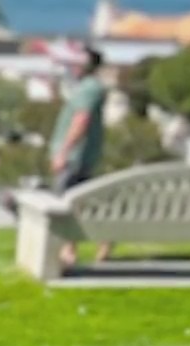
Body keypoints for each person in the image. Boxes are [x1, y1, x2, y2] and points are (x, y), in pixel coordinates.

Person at [49, 44, 110, 268]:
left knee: (68, 204)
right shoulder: (86, 87)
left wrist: (64, 151)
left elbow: (81, 120)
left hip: (75, 158)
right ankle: (99, 243)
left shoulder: (89, 89)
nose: (71, 67)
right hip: (78, 157)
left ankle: (69, 250)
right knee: (84, 204)